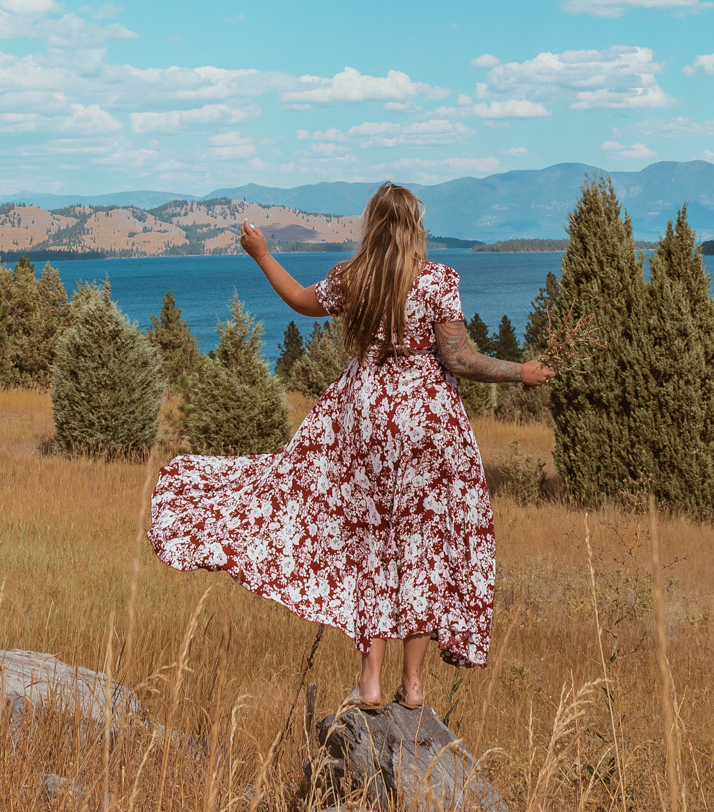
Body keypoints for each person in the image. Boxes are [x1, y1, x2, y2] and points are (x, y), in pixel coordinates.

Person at [147, 182, 553, 710]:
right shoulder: (438, 282)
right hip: (428, 429)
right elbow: (461, 360)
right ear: (413, 228)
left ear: (374, 228)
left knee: (371, 548)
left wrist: (262, 254)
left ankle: (371, 683)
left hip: (364, 422)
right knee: (423, 550)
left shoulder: (353, 279)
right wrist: (520, 372)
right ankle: (414, 686)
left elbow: (297, 300)